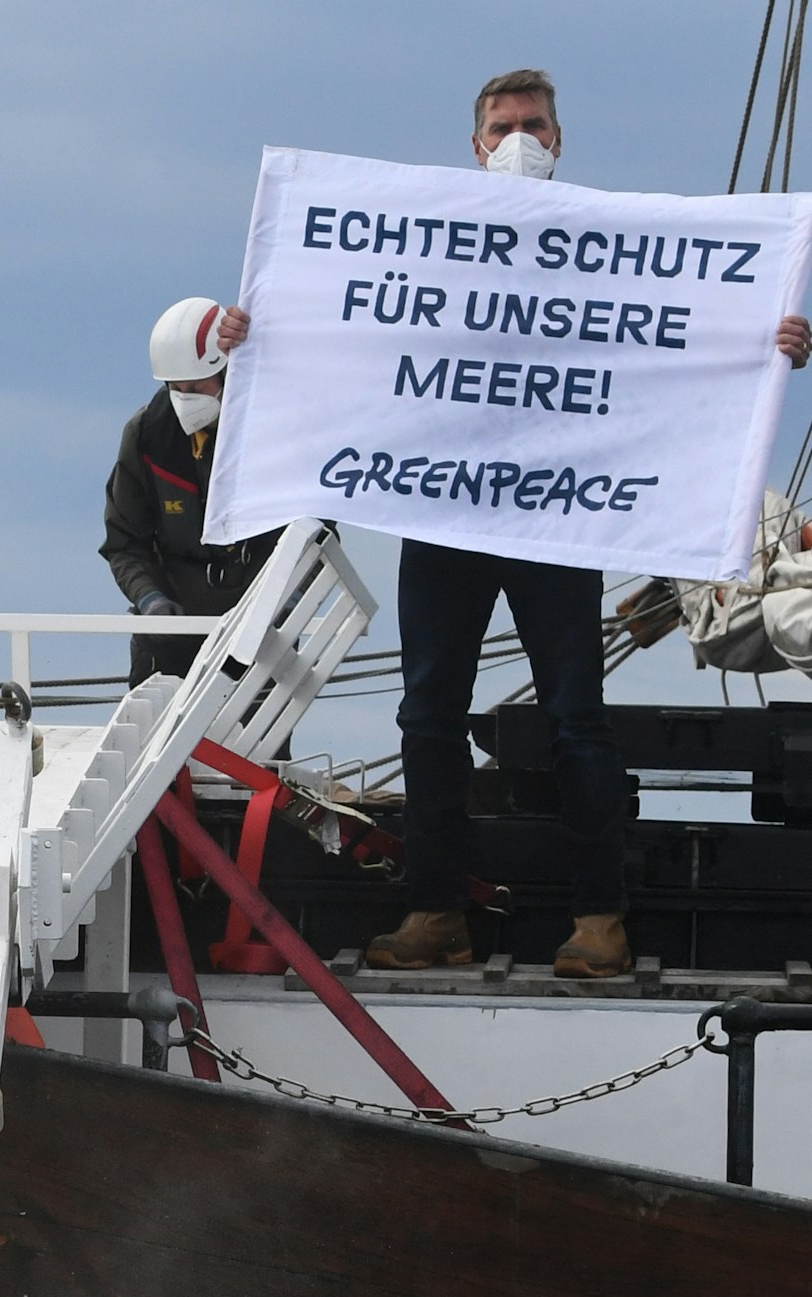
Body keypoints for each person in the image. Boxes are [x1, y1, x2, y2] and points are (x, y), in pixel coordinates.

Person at [218, 68, 812, 979]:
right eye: (503, 127)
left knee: (578, 720)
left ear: (559, 140)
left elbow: (667, 329)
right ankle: (436, 911)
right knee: (428, 716)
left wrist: (769, 346)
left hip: (555, 521)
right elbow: (358, 318)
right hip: (447, 515)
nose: (519, 140)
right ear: (477, 145)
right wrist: (256, 332)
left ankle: (600, 920)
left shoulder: (602, 241)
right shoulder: (441, 240)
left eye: (533, 124)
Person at [102, 295, 280, 687]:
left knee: (251, 729)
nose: (186, 399)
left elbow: (314, 533)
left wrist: (279, 606)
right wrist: (150, 600)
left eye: (197, 387)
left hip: (259, 635)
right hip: (169, 637)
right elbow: (124, 543)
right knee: (151, 726)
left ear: (229, 373)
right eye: (176, 388)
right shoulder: (147, 436)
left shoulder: (275, 431)